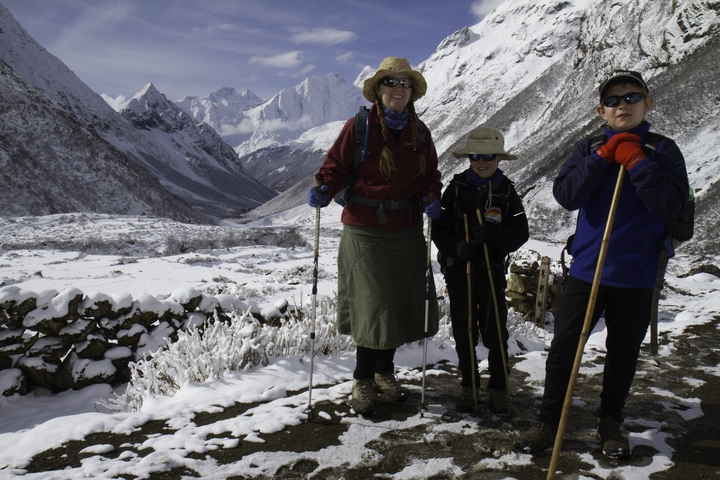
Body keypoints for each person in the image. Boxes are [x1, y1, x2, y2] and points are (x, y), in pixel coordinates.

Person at [514, 70, 690, 458]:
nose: (622, 105)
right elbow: (566, 195)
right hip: (587, 269)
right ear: (601, 111)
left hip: (638, 273)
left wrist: (638, 163)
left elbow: (672, 206)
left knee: (622, 352)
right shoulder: (588, 147)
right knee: (563, 350)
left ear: (648, 103)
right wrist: (603, 157)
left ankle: (610, 423)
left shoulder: (664, 151)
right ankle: (547, 421)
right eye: (613, 100)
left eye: (631, 97)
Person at [307, 57, 442, 415]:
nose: (399, 89)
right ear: (379, 89)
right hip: (366, 231)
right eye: (391, 82)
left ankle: (385, 373)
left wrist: (431, 196)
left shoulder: (420, 133)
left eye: (405, 84)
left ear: (412, 92)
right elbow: (334, 166)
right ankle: (362, 378)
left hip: (406, 230)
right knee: (374, 305)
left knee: (397, 304)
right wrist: (324, 187)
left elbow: (430, 176)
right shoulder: (360, 126)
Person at [432, 127, 529, 413]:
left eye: (488, 155)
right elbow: (440, 227)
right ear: (469, 158)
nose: (481, 161)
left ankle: (499, 386)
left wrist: (497, 239)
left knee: (495, 327)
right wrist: (455, 248)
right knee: (464, 327)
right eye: (475, 156)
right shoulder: (456, 188)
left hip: (492, 269)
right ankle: (468, 385)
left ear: (498, 157)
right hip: (459, 270)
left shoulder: (507, 191)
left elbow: (520, 230)